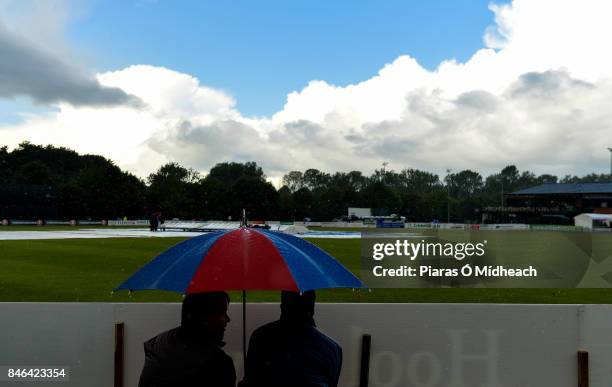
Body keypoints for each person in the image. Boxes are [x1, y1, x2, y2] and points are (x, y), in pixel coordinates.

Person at [240, 291, 342, 387]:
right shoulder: (332, 349)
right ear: (312, 309)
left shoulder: (260, 338)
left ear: (282, 307)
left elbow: (251, 379)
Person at [138, 292, 236, 387]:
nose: (228, 319)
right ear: (204, 318)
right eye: (222, 314)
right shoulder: (219, 364)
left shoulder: (158, 344)